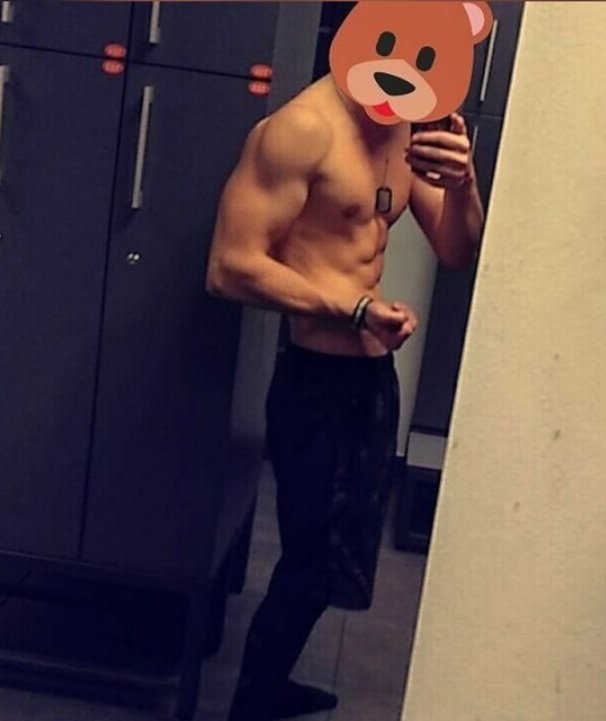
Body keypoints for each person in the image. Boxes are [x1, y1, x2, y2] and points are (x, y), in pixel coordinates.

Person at [205, 70, 484, 720]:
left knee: (335, 561)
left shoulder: (403, 121)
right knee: (309, 560)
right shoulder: (303, 129)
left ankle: (269, 684)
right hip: (316, 381)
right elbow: (228, 266)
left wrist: (464, 182)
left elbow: (456, 249)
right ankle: (250, 704)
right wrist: (354, 308)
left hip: (370, 378)